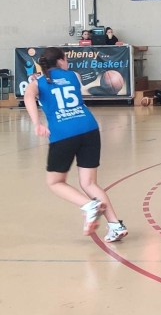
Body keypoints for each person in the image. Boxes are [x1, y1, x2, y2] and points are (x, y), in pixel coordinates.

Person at [23, 47, 128, 243]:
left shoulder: (38, 83)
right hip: (89, 129)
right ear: (60, 61)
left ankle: (88, 205)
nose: (68, 62)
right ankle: (115, 225)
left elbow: (29, 96)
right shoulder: (73, 76)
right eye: (66, 59)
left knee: (55, 182)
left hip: (64, 133)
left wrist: (37, 123)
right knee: (89, 183)